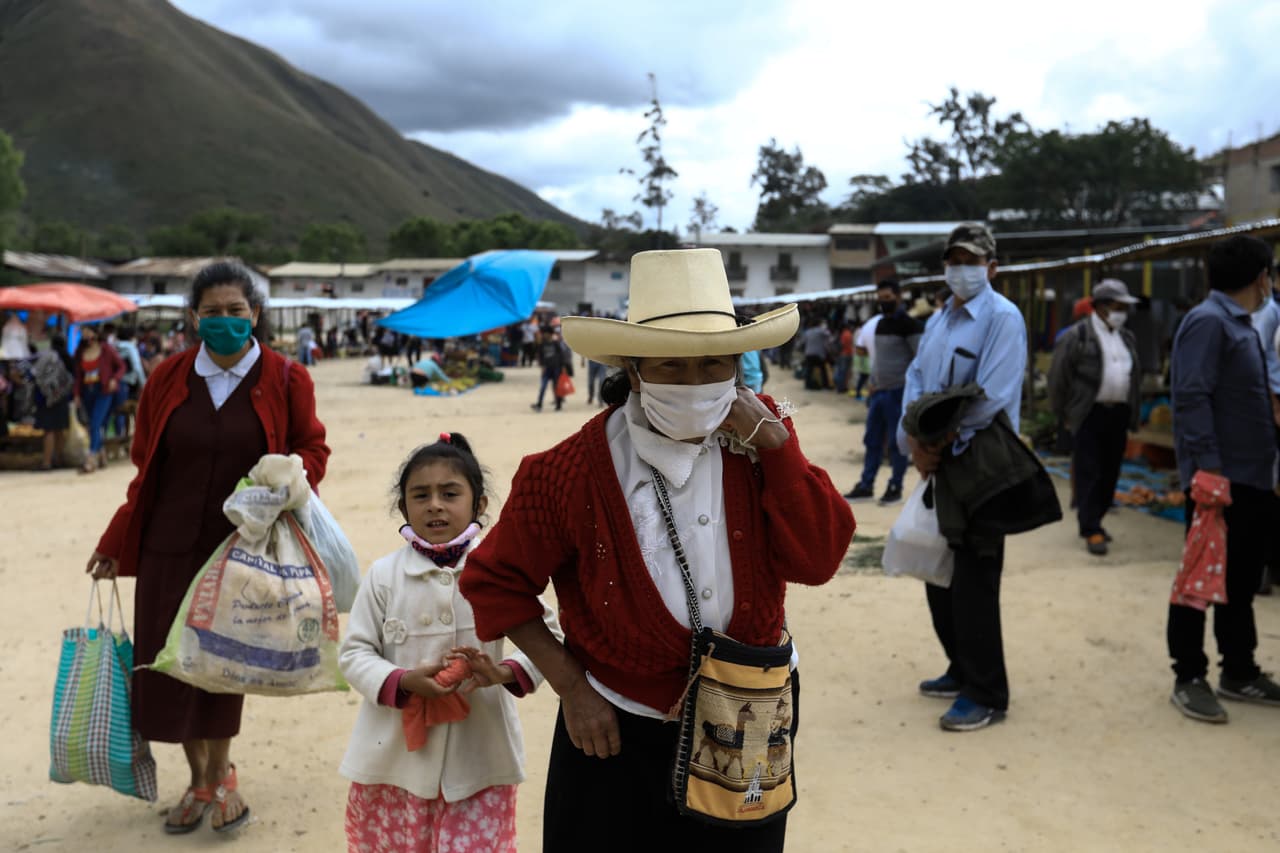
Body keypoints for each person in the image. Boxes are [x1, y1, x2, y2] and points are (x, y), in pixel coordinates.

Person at [461, 248, 855, 852]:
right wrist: (572, 686)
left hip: (749, 718)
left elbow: (820, 557)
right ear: (634, 369)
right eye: (672, 366)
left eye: (714, 365)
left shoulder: (764, 443)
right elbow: (495, 582)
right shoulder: (567, 472)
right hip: (614, 728)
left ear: (738, 367)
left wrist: (776, 445)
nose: (697, 384)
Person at [84, 261, 330, 833]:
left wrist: (288, 481)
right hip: (170, 547)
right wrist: (116, 541)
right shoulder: (168, 377)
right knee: (171, 669)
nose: (224, 321)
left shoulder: (288, 378)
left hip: (240, 549)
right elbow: (147, 469)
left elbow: (312, 450)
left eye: (235, 311)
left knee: (223, 664)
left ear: (255, 315)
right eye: (212, 312)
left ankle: (220, 780)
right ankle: (198, 780)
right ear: (194, 317)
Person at [339, 434, 562, 852]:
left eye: (450, 493)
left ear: (478, 504)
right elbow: (354, 654)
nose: (435, 505)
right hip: (396, 765)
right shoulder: (384, 576)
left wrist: (503, 672)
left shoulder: (498, 572)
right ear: (403, 507)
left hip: (480, 760)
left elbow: (550, 635)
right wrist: (401, 680)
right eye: (420, 495)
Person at [897, 223, 1028, 732]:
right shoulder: (940, 320)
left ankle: (987, 691)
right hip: (937, 461)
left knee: (975, 578)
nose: (960, 269)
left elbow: (991, 395)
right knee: (939, 572)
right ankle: (960, 666)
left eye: (971, 260)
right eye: (953, 259)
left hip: (981, 464)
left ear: (992, 268)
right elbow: (916, 380)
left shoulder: (1002, 318)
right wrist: (914, 439)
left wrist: (935, 441)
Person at [1166, 235, 1280, 723]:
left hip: (1251, 477)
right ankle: (1189, 675)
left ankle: (1239, 669)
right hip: (1220, 481)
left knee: (1239, 578)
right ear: (1261, 277)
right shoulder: (1208, 323)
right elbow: (1191, 396)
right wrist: (1208, 469)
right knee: (1200, 577)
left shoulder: (1242, 325)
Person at [1048, 279, 1142, 556]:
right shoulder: (1077, 336)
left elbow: (1134, 377)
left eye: (1125, 307)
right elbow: (1058, 378)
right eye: (1117, 306)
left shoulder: (1127, 337)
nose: (1122, 312)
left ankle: (1096, 518)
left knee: (1111, 470)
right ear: (1099, 307)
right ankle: (1090, 528)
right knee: (1089, 469)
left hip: (1119, 413)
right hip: (1089, 412)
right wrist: (1062, 414)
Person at [844, 279, 922, 505]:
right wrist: (873, 381)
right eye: (880, 298)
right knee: (872, 440)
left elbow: (920, 361)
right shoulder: (879, 325)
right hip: (878, 392)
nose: (883, 302)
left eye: (887, 298)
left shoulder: (911, 326)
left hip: (899, 393)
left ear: (898, 297)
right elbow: (877, 358)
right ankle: (866, 485)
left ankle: (895, 486)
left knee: (898, 443)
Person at [73, 324, 125, 473]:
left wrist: (114, 379)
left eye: (88, 331)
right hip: (87, 392)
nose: (85, 335)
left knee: (96, 423)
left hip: (103, 390)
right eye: (83, 332)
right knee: (91, 424)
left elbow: (121, 366)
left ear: (95, 333)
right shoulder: (80, 351)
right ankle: (101, 453)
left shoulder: (106, 349)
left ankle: (90, 459)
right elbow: (77, 376)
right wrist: (76, 394)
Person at [31, 334, 76, 470]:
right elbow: (72, 378)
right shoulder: (68, 358)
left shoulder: (47, 356)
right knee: (59, 430)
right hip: (63, 397)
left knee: (48, 430)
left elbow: (35, 373)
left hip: (48, 398)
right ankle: (59, 459)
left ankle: (46, 462)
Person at [112, 327, 147, 438]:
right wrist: (143, 384)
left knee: (117, 411)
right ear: (131, 337)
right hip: (127, 383)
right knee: (125, 410)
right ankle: (122, 439)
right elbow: (137, 367)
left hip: (113, 382)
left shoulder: (112, 347)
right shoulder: (131, 348)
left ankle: (117, 436)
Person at [531, 327, 571, 412]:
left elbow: (561, 356)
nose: (544, 334)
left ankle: (558, 404)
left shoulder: (556, 344)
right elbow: (540, 356)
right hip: (547, 368)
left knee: (556, 387)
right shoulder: (542, 344)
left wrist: (563, 367)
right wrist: (542, 366)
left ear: (549, 334)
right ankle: (539, 404)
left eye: (545, 333)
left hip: (556, 368)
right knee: (543, 387)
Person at [854, 310, 882, 400]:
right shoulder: (864, 330)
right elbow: (860, 349)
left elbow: (859, 349)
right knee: (864, 378)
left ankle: (863, 395)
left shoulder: (864, 328)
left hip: (865, 360)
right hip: (865, 360)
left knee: (865, 378)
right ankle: (860, 394)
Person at [800, 316, 833, 390]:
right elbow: (830, 337)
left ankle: (807, 385)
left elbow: (803, 342)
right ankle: (825, 385)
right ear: (819, 324)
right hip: (819, 354)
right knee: (823, 370)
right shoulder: (821, 331)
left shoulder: (807, 332)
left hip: (809, 353)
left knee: (809, 370)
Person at [834, 321, 854, 392]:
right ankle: (843, 387)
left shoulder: (844, 334)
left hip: (843, 354)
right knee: (845, 372)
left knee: (842, 372)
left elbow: (842, 344)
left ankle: (840, 388)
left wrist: (837, 353)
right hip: (849, 354)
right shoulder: (849, 333)